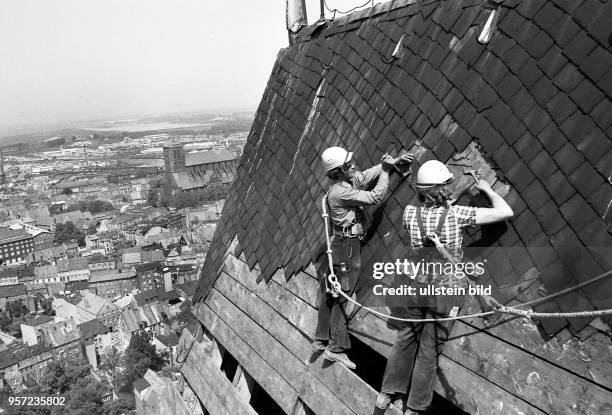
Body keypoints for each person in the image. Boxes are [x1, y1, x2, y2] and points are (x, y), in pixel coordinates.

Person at [376, 159, 513, 414]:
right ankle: (414, 407)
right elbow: (505, 212)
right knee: (429, 350)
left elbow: (423, 222)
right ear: (442, 188)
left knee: (405, 338)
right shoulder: (456, 215)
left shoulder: (409, 212)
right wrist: (488, 190)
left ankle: (387, 392)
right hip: (445, 293)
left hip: (416, 289)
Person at [313, 146, 413, 370]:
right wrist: (387, 173)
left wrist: (390, 163)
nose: (353, 166)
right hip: (347, 248)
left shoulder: (344, 182)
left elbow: (365, 175)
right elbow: (376, 196)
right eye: (348, 165)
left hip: (341, 245)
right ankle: (336, 348)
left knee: (331, 292)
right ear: (338, 171)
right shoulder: (340, 192)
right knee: (343, 295)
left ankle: (321, 338)